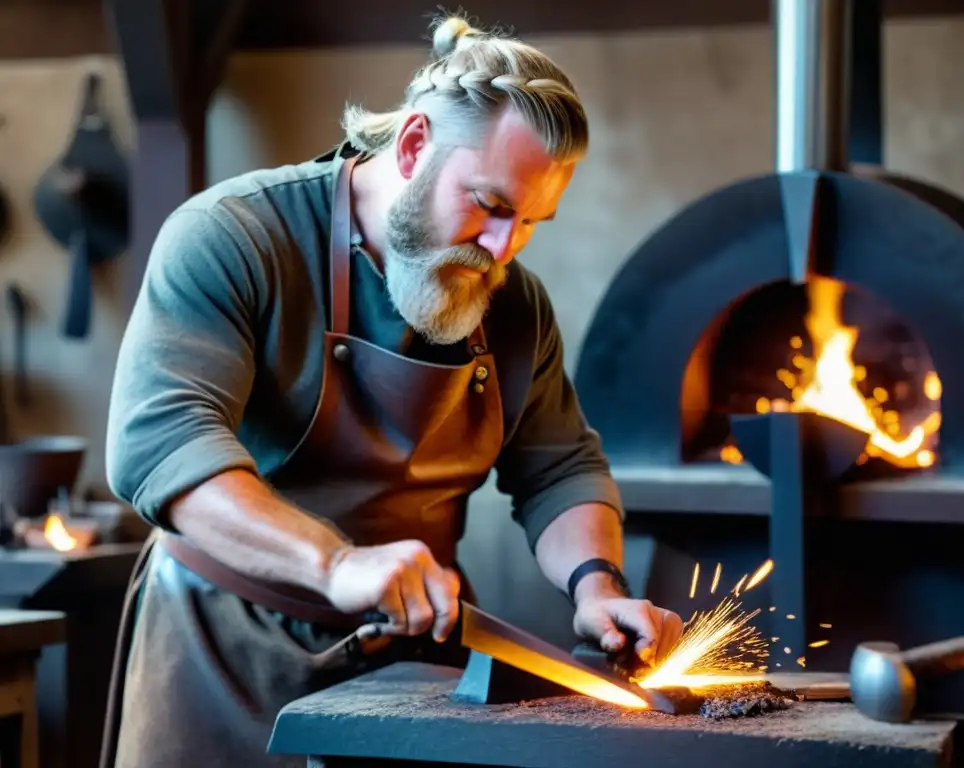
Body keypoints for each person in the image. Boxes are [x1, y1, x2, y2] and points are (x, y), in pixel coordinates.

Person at [100, 14, 686, 768]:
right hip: (218, 653)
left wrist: (595, 587)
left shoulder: (512, 305)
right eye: (492, 205)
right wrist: (336, 566)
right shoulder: (235, 237)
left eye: (532, 222)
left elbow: (559, 468)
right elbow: (161, 447)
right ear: (412, 147)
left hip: (407, 669)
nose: (503, 249)